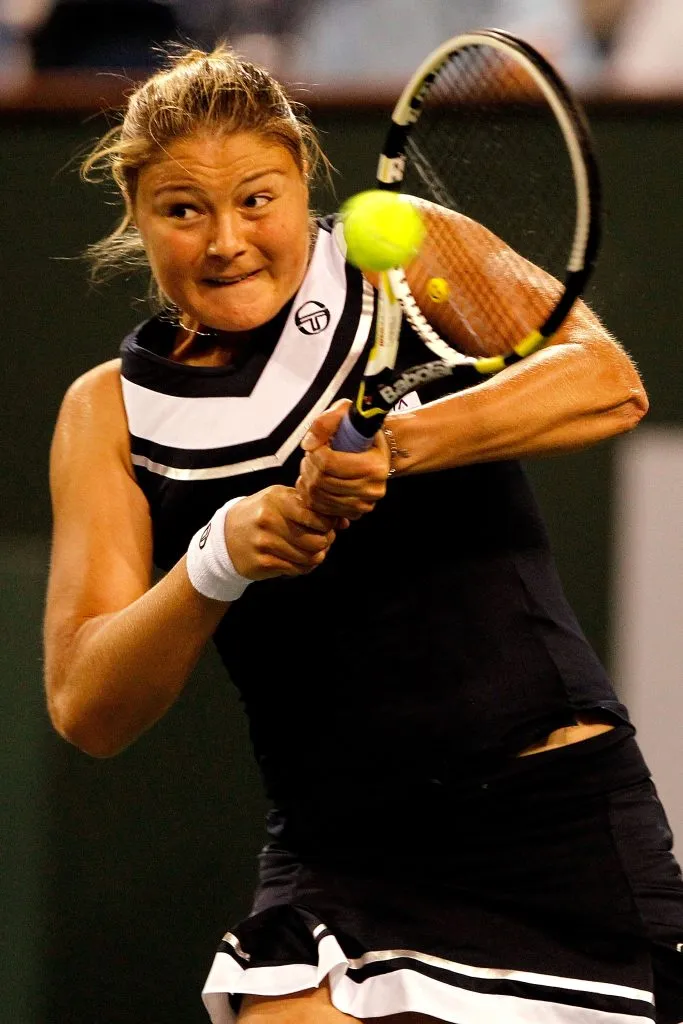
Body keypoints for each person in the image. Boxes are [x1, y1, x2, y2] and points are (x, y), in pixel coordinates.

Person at [42, 42, 683, 1024]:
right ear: (135, 214)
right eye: (183, 210)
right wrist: (217, 559)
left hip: (551, 818)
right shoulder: (108, 413)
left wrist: (402, 444)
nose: (225, 241)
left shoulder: (401, 256)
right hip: (338, 853)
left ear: (303, 180)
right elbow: (88, 704)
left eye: (256, 199)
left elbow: (605, 382)